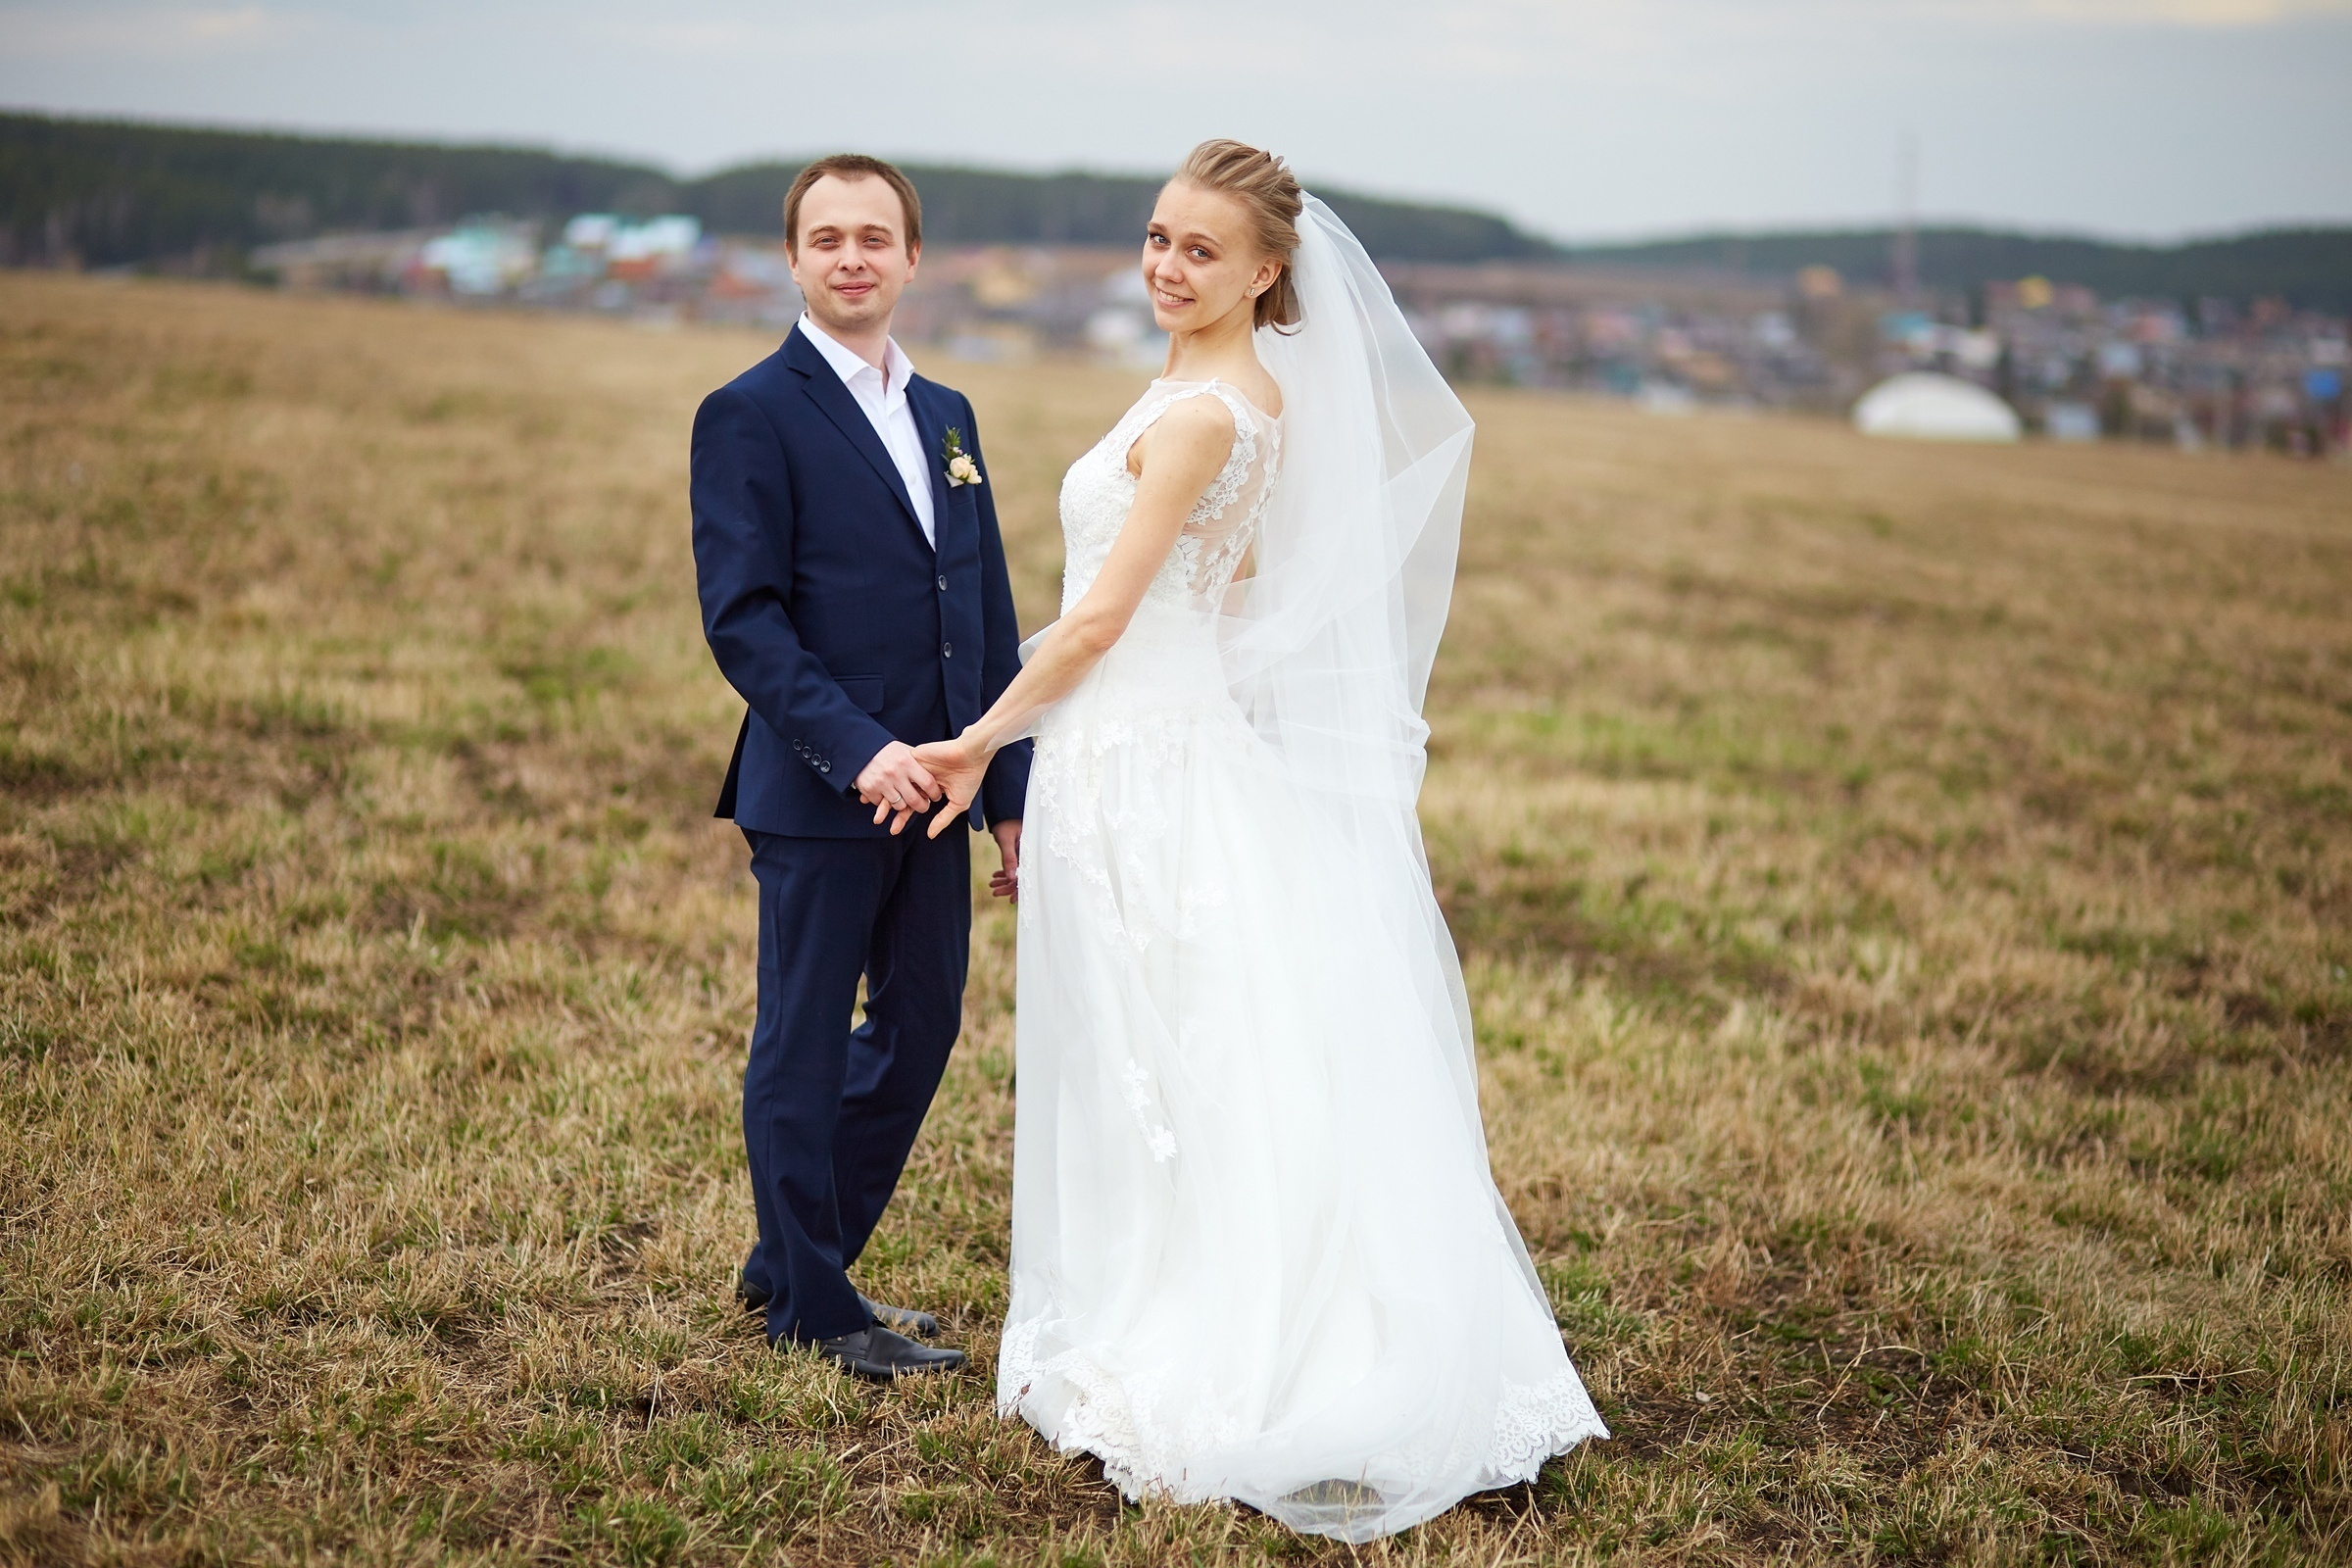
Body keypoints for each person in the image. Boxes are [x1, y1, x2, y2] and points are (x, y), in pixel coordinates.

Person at [911, 140, 1607, 1541]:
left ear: (1267, 270)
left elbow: (1107, 621)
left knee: (1180, 1034)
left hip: (1140, 756)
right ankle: (1175, 1280)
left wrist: (979, 739)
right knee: (1176, 1028)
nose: (1168, 267)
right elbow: (1211, 612)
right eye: (1159, 239)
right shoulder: (1228, 390)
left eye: (1201, 252)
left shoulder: (1209, 417)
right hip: (1159, 744)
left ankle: (1226, 1330)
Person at [689, 154, 1030, 1380]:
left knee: (925, 1021)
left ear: (911, 259)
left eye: (874, 238)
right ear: (792, 259)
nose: (851, 257)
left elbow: (984, 610)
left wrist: (1004, 791)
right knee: (804, 1039)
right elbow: (744, 620)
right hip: (822, 791)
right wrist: (859, 750)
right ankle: (818, 1309)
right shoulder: (750, 410)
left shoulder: (949, 414)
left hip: (940, 793)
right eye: (826, 237)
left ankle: (792, 1260)